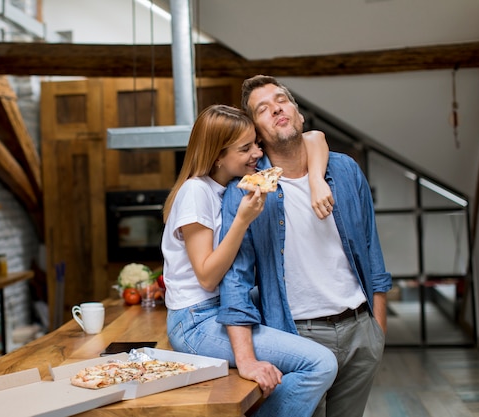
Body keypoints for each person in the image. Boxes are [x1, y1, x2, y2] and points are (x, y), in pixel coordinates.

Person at [217, 75, 392, 417]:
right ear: (256, 132)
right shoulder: (247, 191)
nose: (276, 109)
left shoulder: (344, 171)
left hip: (361, 330)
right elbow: (234, 281)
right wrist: (247, 358)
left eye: (281, 100)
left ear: (298, 114)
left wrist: (378, 332)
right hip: (297, 337)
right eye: (263, 109)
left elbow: (372, 252)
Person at [161, 104, 338, 417]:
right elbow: (207, 277)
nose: (257, 152)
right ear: (217, 155)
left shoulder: (228, 188)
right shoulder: (195, 192)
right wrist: (243, 220)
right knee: (320, 364)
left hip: (214, 310)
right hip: (196, 321)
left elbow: (314, 137)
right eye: (246, 148)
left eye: (256, 143)